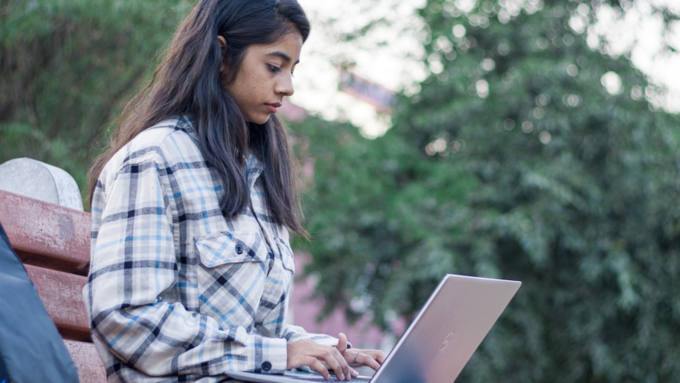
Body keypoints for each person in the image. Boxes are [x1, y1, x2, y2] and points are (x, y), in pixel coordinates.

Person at [83, 0, 385, 382]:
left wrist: (329, 354)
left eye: (292, 70)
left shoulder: (257, 176)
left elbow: (258, 336)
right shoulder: (154, 160)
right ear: (223, 55)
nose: (287, 86)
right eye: (274, 67)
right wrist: (281, 353)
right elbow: (127, 317)